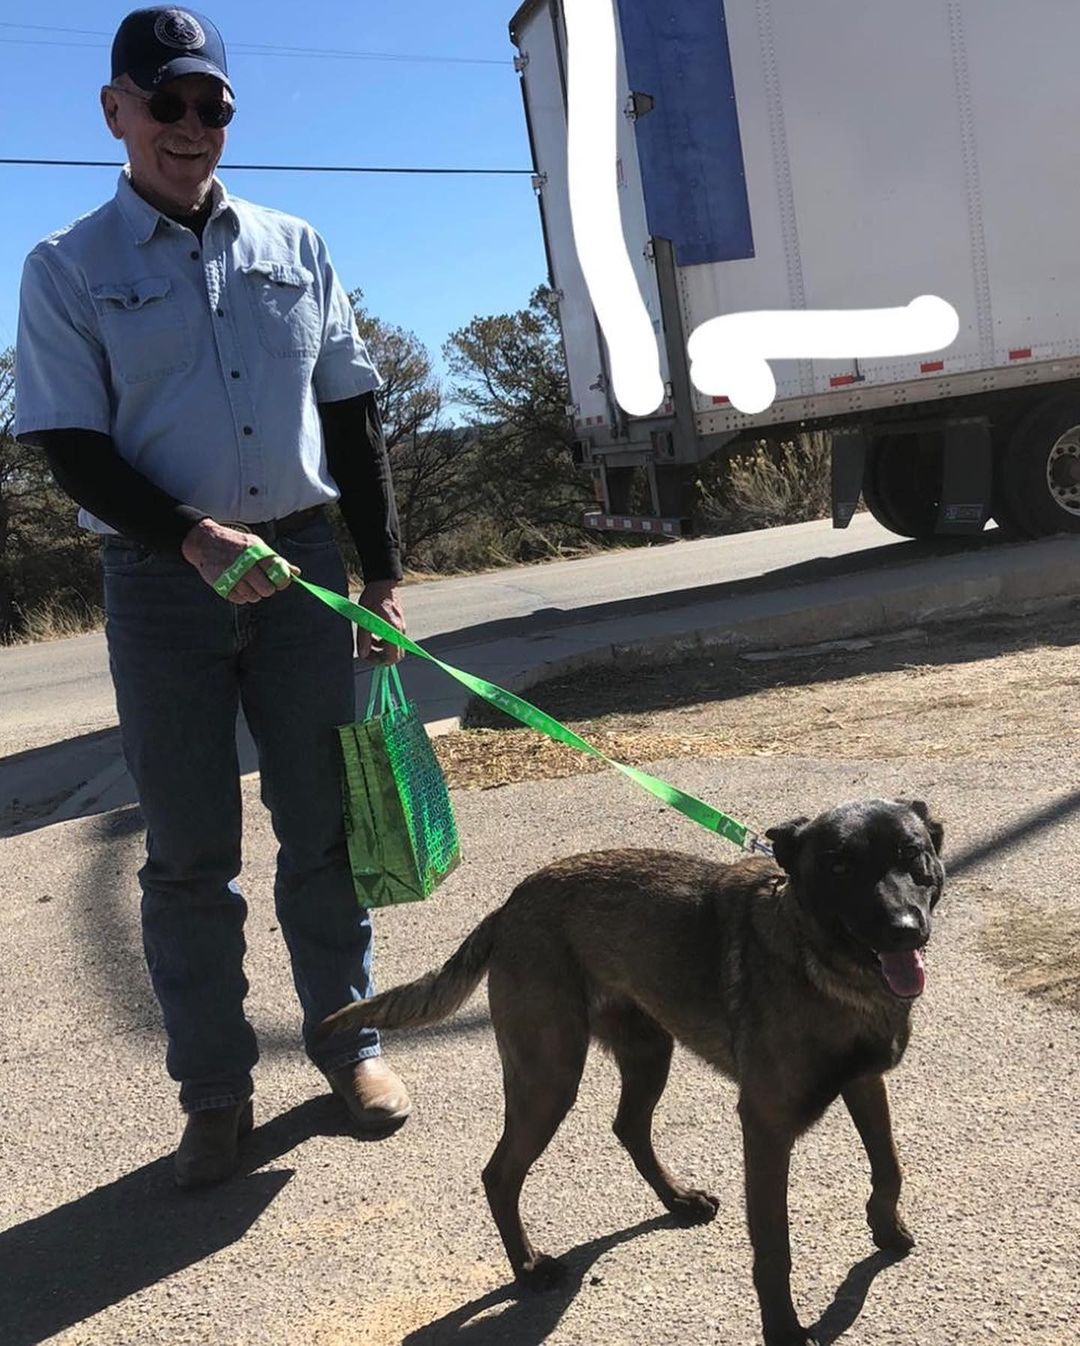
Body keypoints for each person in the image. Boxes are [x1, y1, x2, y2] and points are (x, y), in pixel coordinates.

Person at [14, 7, 412, 1189]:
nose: (192, 127)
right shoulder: (66, 266)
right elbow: (67, 444)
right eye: (166, 102)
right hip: (160, 583)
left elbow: (351, 410)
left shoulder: (296, 244)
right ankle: (216, 1094)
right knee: (190, 855)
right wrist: (187, 538)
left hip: (300, 574)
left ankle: (353, 1049)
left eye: (212, 105)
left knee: (322, 829)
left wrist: (379, 569)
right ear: (116, 112)